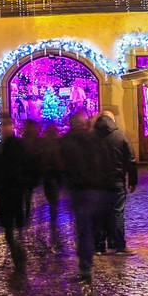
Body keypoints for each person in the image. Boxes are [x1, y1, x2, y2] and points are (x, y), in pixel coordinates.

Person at [61, 112, 115, 283]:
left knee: (84, 228)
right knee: (87, 227)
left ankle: (86, 264)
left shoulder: (70, 141)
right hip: (87, 190)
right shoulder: (93, 141)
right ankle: (88, 260)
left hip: (83, 190)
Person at [0, 122, 38, 271]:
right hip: (14, 188)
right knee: (13, 220)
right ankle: (16, 244)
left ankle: (16, 247)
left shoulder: (7, 146)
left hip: (11, 188)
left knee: (10, 221)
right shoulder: (10, 145)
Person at [95, 111, 138, 255]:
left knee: (99, 214)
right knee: (117, 213)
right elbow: (131, 160)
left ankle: (99, 247)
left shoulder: (91, 138)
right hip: (116, 181)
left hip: (97, 183)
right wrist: (132, 180)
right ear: (113, 120)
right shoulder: (120, 135)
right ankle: (119, 245)